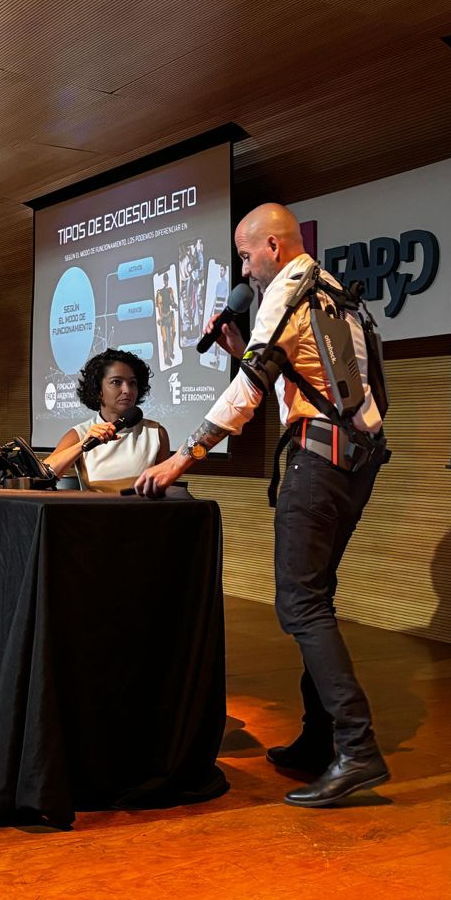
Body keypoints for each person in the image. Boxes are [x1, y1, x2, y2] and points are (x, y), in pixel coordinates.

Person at [135, 203, 389, 808]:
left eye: (246, 256)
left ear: (273, 247)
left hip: (317, 462)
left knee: (300, 604)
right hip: (356, 462)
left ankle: (357, 748)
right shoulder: (329, 292)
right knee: (316, 597)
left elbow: (248, 391)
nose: (244, 270)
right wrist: (241, 346)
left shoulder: (283, 295)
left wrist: (182, 458)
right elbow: (315, 381)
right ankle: (320, 738)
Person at [45, 348, 169, 491]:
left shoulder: (156, 433)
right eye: (116, 382)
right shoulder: (80, 433)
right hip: (95, 506)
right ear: (98, 390)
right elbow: (42, 477)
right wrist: (82, 445)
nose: (127, 390)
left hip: (140, 506)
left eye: (132, 383)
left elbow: (165, 489)